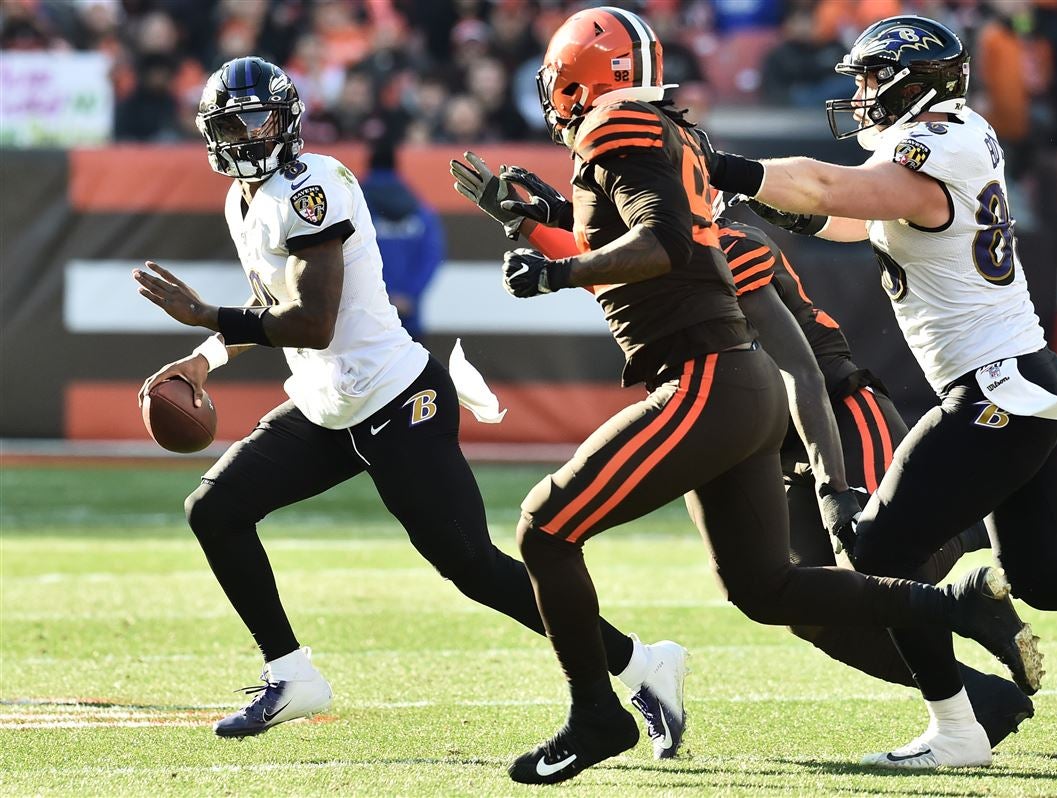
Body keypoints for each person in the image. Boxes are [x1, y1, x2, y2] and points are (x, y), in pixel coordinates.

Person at [479, 7, 1041, 784]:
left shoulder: (619, 129)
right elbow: (638, 237)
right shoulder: (656, 146)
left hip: (767, 392)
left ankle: (596, 712)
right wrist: (539, 221)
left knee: (546, 527)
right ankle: (956, 617)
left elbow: (671, 255)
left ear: (581, 78)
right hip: (738, 391)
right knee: (771, 592)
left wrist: (835, 482)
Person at [130, 56, 690, 747]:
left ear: (288, 121)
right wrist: (206, 357)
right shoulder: (241, 199)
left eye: (259, 118)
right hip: (326, 405)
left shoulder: (314, 188)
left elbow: (312, 320)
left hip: (398, 401)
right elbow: (270, 306)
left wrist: (205, 316)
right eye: (233, 123)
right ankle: (292, 675)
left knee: (473, 569)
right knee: (214, 510)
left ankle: (643, 663)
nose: (248, 134)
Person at [702, 15, 1057, 769]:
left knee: (877, 551)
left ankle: (959, 729)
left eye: (871, 77)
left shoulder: (936, 143)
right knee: (1046, 575)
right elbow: (845, 213)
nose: (862, 93)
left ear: (914, 79)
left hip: (996, 391)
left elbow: (836, 184)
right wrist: (778, 203)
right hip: (1027, 381)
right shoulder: (953, 136)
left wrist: (727, 169)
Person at [359, 139, 443, 339]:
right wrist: (408, 295)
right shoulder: (420, 208)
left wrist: (383, 296)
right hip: (409, 317)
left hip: (365, 319)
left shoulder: (354, 206)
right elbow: (432, 256)